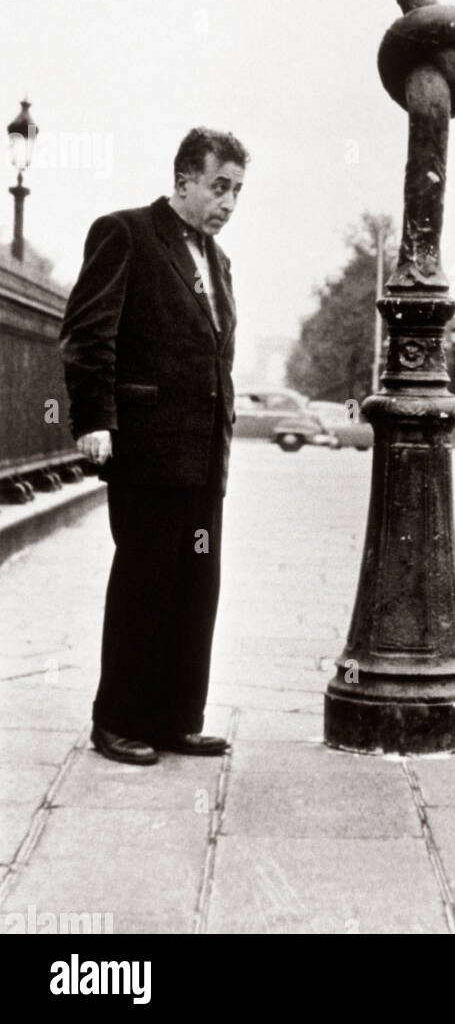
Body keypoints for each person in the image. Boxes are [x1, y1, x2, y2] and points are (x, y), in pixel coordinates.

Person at [61, 128, 248, 764]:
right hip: (147, 448)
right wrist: (94, 419)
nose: (227, 202)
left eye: (237, 192)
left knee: (197, 585)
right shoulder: (126, 232)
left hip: (203, 457)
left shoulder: (218, 261)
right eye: (219, 186)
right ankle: (117, 719)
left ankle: (176, 717)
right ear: (184, 180)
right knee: (144, 583)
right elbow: (89, 332)